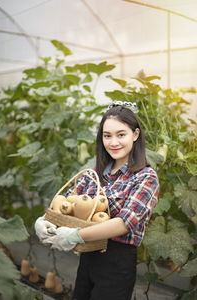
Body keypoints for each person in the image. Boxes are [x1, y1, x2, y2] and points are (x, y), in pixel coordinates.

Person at [35, 101, 159, 300]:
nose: (113, 142)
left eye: (121, 134)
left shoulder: (145, 177)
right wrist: (44, 220)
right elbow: (65, 203)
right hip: (88, 257)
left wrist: (75, 236)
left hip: (117, 263)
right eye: (107, 135)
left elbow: (124, 223)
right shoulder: (93, 175)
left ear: (135, 135)